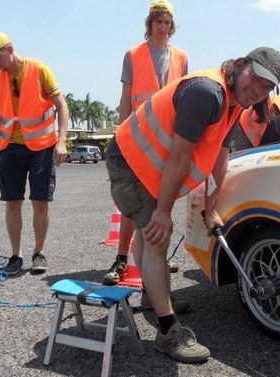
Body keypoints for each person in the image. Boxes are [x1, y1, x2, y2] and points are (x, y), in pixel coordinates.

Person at [106, 46, 280, 363]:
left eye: (268, 87)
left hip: (153, 169)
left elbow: (220, 155)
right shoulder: (207, 92)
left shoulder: (235, 103)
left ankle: (152, 296)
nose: (258, 91)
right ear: (241, 65)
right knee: (156, 238)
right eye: (256, 79)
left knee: (151, 240)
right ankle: (168, 332)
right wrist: (162, 212)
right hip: (130, 163)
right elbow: (180, 156)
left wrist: (211, 207)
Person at [102, 0, 189, 312]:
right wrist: (123, 137)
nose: (163, 28)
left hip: (165, 143)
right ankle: (122, 260)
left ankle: (154, 283)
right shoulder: (134, 54)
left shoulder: (181, 57)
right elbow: (126, 97)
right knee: (133, 209)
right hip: (137, 139)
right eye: (158, 22)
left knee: (156, 209)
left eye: (167, 23)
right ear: (149, 24)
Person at [0, 31, 69, 275]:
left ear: (9, 48)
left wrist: (61, 142)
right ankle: (15, 255)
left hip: (42, 146)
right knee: (12, 202)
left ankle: (38, 253)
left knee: (40, 202)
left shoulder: (39, 69)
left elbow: (62, 106)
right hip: (9, 146)